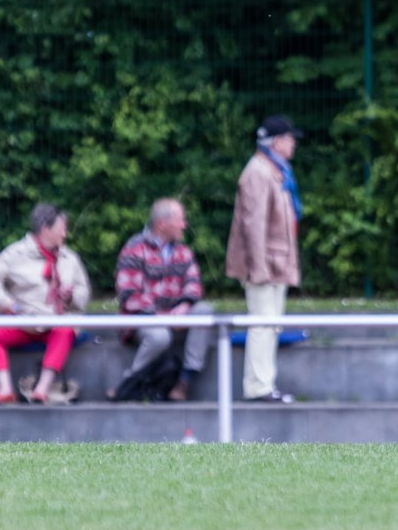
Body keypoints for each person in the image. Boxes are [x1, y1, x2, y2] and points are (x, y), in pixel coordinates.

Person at [0, 203, 90, 404]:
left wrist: (69, 297)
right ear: (46, 229)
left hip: (56, 323)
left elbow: (84, 292)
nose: (65, 234)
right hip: (23, 321)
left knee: (66, 328)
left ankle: (42, 389)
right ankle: (5, 389)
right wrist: (7, 303)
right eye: (61, 228)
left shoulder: (69, 258)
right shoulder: (16, 253)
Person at [226, 114, 303, 403]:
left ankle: (265, 385)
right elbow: (253, 225)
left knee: (271, 324)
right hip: (264, 265)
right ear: (277, 142)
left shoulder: (275, 169)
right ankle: (258, 388)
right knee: (261, 324)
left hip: (275, 262)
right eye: (290, 138)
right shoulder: (258, 172)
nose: (293, 143)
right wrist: (258, 268)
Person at [113, 198, 214, 402]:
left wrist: (185, 305)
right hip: (145, 320)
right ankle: (129, 381)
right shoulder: (134, 249)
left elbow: (194, 283)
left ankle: (185, 381)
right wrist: (164, 317)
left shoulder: (182, 251)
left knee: (204, 311)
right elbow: (129, 295)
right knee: (160, 336)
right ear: (161, 223)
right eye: (180, 220)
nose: (184, 225)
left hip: (176, 317)